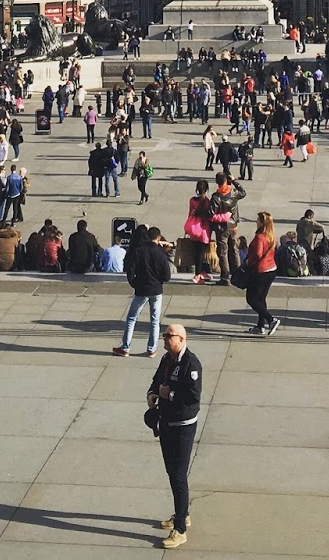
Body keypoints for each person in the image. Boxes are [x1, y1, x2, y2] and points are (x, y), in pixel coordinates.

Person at [148, 321, 201, 550]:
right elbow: (157, 380)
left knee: (178, 476)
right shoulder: (166, 359)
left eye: (169, 335)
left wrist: (168, 395)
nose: (165, 338)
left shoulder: (191, 364)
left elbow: (192, 397)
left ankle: (180, 530)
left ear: (181, 339)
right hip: (166, 422)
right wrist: (152, 394)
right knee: (171, 471)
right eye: (165, 335)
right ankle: (182, 513)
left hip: (182, 426)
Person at [114, 225, 174, 357]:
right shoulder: (160, 253)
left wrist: (134, 283)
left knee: (131, 318)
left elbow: (130, 270)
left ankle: (125, 347)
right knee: (155, 320)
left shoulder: (139, 251)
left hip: (141, 289)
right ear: (158, 238)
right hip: (156, 290)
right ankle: (152, 349)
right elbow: (167, 276)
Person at [244, 211, 280, 337]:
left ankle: (271, 319)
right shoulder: (271, 236)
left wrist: (248, 262)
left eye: (258, 220)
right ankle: (260, 325)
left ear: (262, 222)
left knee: (251, 299)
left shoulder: (260, 237)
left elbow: (258, 254)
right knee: (261, 299)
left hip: (261, 271)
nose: (256, 221)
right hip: (271, 269)